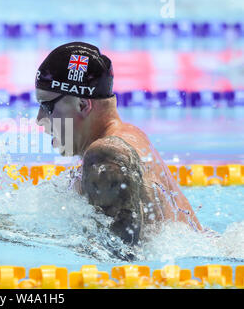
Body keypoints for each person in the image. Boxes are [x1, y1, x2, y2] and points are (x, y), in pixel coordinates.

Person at [35, 42, 202, 245]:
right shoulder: (129, 137)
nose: (39, 118)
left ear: (82, 104)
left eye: (47, 105)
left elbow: (117, 261)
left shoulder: (106, 156)